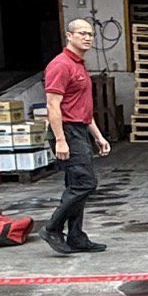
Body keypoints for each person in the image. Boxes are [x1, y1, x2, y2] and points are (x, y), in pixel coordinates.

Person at [43, 19, 111, 255]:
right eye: (82, 33)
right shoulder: (60, 65)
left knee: (76, 184)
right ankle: (52, 228)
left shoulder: (79, 65)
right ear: (68, 36)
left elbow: (83, 109)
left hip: (79, 129)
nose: (88, 38)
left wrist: (98, 136)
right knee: (85, 183)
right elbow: (53, 105)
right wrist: (60, 139)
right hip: (67, 131)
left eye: (91, 34)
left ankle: (76, 236)